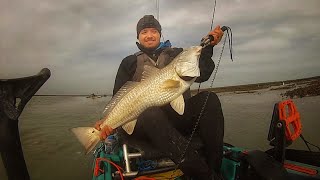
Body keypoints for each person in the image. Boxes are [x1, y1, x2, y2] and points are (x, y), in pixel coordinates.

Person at [95, 15, 225, 180]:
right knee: (151, 112)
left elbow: (203, 72)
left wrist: (207, 49)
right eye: (144, 31)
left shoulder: (176, 54)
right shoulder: (128, 62)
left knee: (209, 99)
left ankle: (216, 169)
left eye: (154, 31)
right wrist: (106, 121)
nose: (149, 35)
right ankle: (205, 176)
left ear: (160, 34)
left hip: (176, 120)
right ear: (138, 37)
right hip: (143, 126)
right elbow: (118, 97)